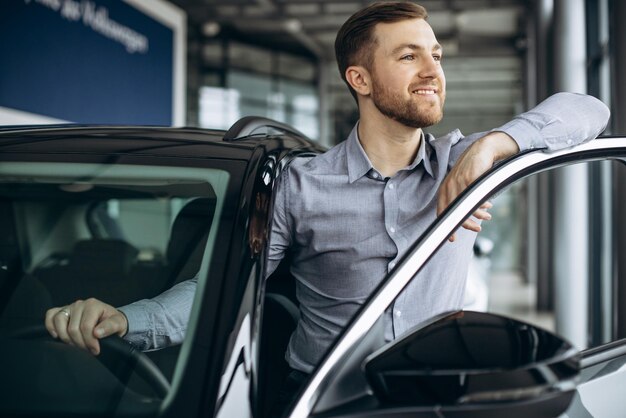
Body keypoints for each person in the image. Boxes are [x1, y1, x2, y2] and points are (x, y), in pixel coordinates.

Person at [46, 0, 610, 409]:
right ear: (359, 78)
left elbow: (588, 111)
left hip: (433, 396)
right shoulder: (300, 186)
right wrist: (126, 318)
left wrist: (495, 144)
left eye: (435, 55)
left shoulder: (460, 163)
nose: (433, 70)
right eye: (409, 56)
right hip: (321, 400)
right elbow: (224, 287)